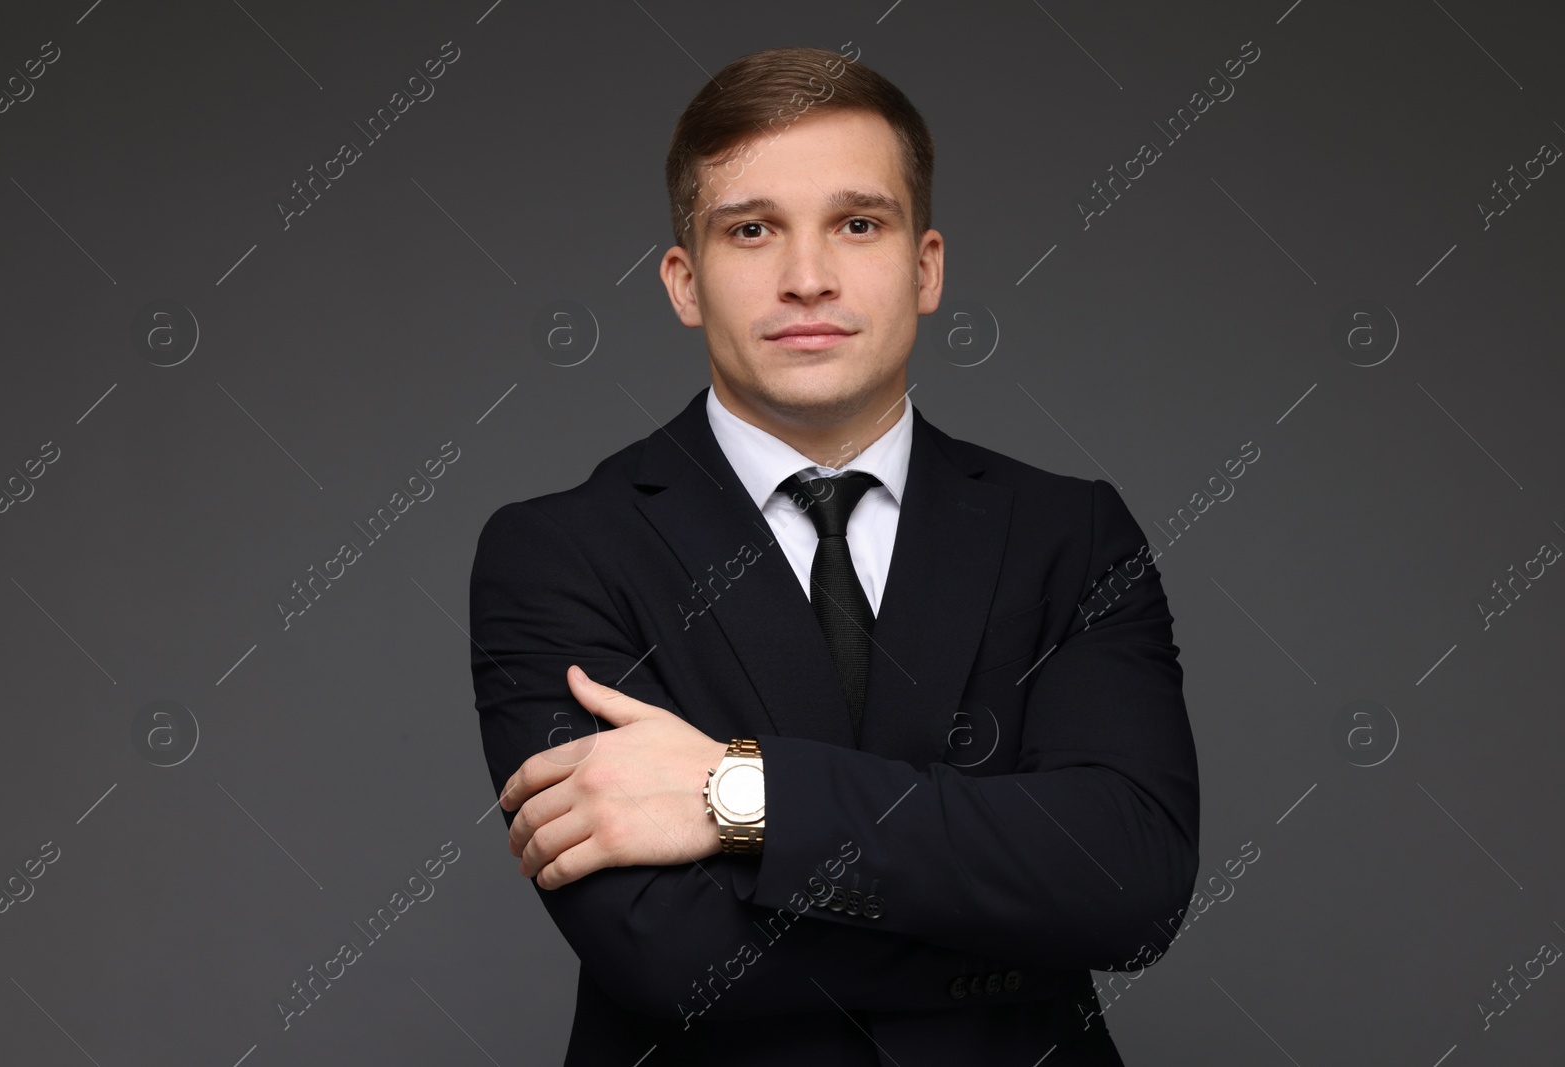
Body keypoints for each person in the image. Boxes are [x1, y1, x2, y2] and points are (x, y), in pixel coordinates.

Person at [469, 45, 1199, 1066]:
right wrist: (1009, 931)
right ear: (684, 282)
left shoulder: (1069, 534)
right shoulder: (558, 551)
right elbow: (670, 956)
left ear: (925, 265)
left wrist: (740, 793)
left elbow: (1129, 883)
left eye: (857, 224)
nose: (806, 277)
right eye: (751, 229)